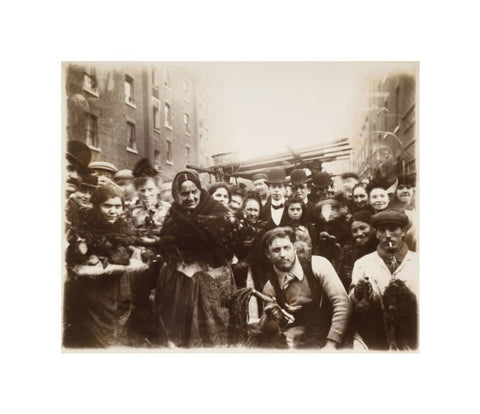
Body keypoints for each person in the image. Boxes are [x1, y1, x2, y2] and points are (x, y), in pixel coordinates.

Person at [154, 170, 238, 347]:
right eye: (184, 193)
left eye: (194, 192)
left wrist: (204, 260)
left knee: (214, 326)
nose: (190, 197)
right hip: (181, 283)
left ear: (200, 191)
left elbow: (230, 246)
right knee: (182, 330)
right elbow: (166, 245)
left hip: (212, 281)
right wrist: (176, 259)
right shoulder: (173, 215)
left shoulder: (217, 211)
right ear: (177, 195)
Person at [63, 183, 139, 348]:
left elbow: (123, 256)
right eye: (107, 206)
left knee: (116, 328)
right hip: (89, 290)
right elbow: (73, 255)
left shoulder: (124, 227)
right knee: (92, 335)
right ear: (97, 206)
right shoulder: (85, 225)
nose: (113, 211)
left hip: (116, 286)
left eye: (118, 206)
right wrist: (84, 253)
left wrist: (102, 255)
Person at [258, 227, 351, 349]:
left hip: (332, 332)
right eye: (276, 250)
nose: (282, 254)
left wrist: (331, 344)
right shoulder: (270, 287)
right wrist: (270, 320)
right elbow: (270, 329)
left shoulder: (318, 265)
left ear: (294, 248)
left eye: (287, 248)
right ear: (267, 254)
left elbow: (342, 303)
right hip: (299, 339)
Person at [349, 210, 418, 350]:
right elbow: (351, 301)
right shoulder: (363, 263)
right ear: (376, 234)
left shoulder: (418, 261)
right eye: (382, 231)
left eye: (393, 229)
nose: (387, 235)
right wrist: (359, 290)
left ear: (403, 232)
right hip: (375, 333)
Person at [337, 209, 378, 290]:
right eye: (354, 231)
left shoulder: (383, 248)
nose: (359, 233)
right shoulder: (348, 253)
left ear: (373, 228)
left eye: (363, 228)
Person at [280, 195, 317, 261]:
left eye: (298, 209)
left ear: (303, 211)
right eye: (292, 209)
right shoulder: (282, 228)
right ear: (287, 211)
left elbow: (315, 247)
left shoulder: (310, 228)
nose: (295, 212)